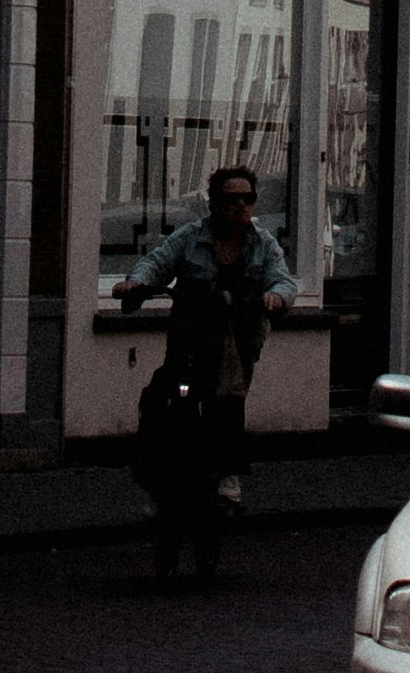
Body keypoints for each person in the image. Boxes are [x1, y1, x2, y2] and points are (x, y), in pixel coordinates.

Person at [117, 165, 290, 580]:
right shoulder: (191, 238)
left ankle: (228, 474)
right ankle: (158, 484)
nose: (240, 206)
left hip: (234, 344)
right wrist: (135, 284)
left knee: (226, 396)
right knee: (165, 397)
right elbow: (155, 263)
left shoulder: (262, 244)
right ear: (213, 202)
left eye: (247, 198)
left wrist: (275, 298)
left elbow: (283, 281)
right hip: (190, 344)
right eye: (231, 198)